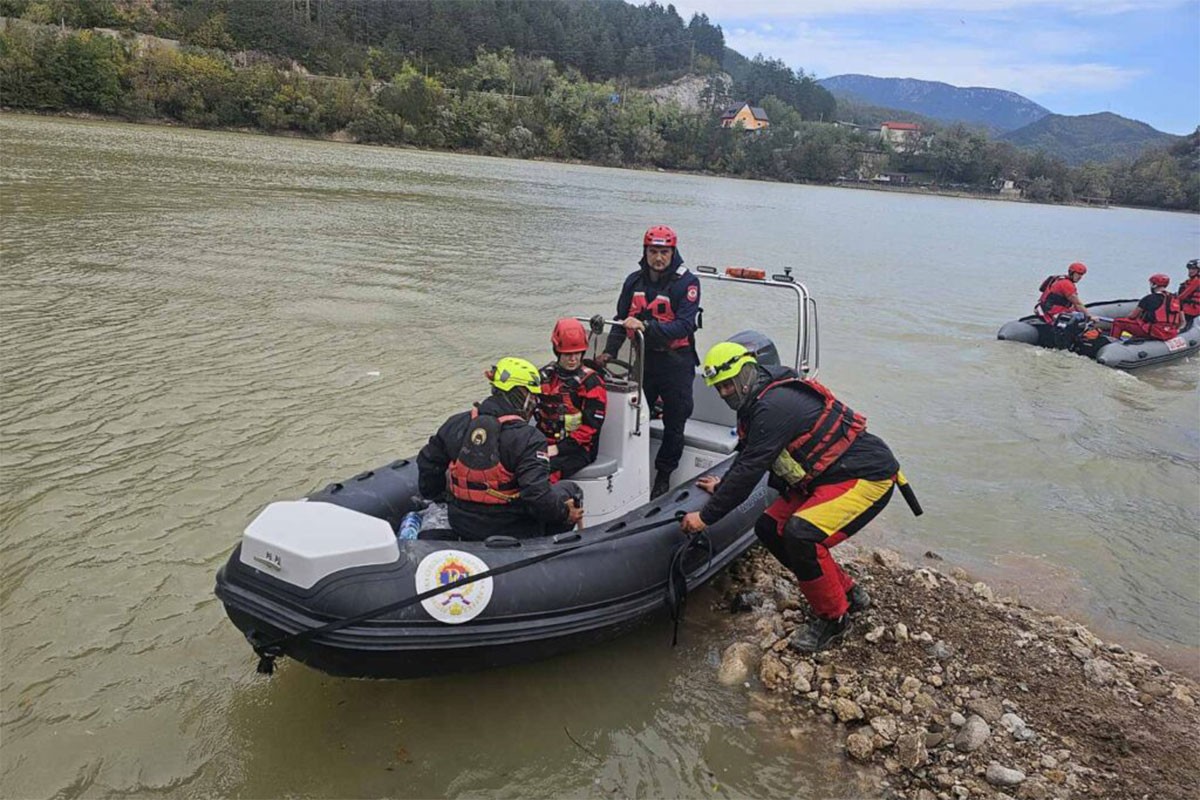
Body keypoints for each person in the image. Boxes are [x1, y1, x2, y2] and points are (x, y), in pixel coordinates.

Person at [680, 342, 919, 653]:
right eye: (719, 388)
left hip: (865, 476)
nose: (725, 394)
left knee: (801, 535)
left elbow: (752, 468)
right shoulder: (758, 404)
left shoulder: (773, 406)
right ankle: (848, 592)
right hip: (827, 477)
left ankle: (833, 619)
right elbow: (750, 454)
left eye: (728, 385)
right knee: (768, 527)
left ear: (746, 374)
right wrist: (722, 484)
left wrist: (706, 516)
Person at [417, 356, 584, 540]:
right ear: (521, 393)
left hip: (461, 522)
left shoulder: (457, 423)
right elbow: (537, 496)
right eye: (533, 395)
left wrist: (444, 498)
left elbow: (428, 464)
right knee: (570, 490)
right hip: (512, 528)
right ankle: (548, 552)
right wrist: (564, 514)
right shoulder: (528, 438)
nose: (535, 402)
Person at [597, 225, 701, 499]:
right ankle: (631, 472)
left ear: (672, 252)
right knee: (633, 416)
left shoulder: (686, 283)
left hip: (677, 363)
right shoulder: (633, 281)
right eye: (653, 251)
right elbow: (621, 320)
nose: (658, 257)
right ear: (645, 252)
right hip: (644, 361)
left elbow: (683, 326)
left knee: (675, 421)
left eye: (664, 252)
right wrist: (608, 351)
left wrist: (644, 326)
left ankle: (664, 476)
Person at [536, 318, 608, 481]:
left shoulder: (592, 383)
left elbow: (590, 428)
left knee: (540, 474)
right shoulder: (545, 376)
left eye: (577, 354)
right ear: (557, 351)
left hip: (579, 450)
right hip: (543, 441)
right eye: (568, 354)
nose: (573, 359)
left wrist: (558, 449)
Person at [1109, 273, 1184, 341]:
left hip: (1154, 332)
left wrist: (1126, 318)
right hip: (1170, 333)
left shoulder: (1148, 298)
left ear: (1154, 285)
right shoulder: (1175, 299)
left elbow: (1132, 316)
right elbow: (1182, 322)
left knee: (1118, 322)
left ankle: (1112, 343)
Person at [1178, 258, 1200, 326]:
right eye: (1189, 269)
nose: (1190, 271)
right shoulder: (1187, 282)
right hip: (1188, 308)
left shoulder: (1197, 281)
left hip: (1192, 310)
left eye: (1193, 269)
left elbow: (1182, 296)